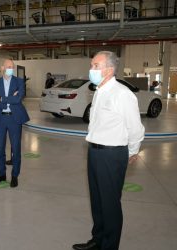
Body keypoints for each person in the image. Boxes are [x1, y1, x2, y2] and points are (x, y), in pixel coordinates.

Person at [72, 51, 145, 250]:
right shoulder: (99, 91)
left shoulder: (122, 94)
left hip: (112, 155)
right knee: (97, 201)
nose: (91, 69)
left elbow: (136, 129)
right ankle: (98, 240)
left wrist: (132, 151)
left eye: (96, 66)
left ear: (109, 70)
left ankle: (109, 246)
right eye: (92, 65)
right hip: (95, 152)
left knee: (110, 204)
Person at [0, 59, 30, 188]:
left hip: (14, 119)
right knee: (0, 149)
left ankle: (14, 176)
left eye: (12, 67)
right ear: (2, 68)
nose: (10, 68)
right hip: (0, 119)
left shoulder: (19, 81)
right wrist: (10, 99)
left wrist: (1, 98)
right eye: (8, 66)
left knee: (16, 149)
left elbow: (18, 99)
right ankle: (1, 174)